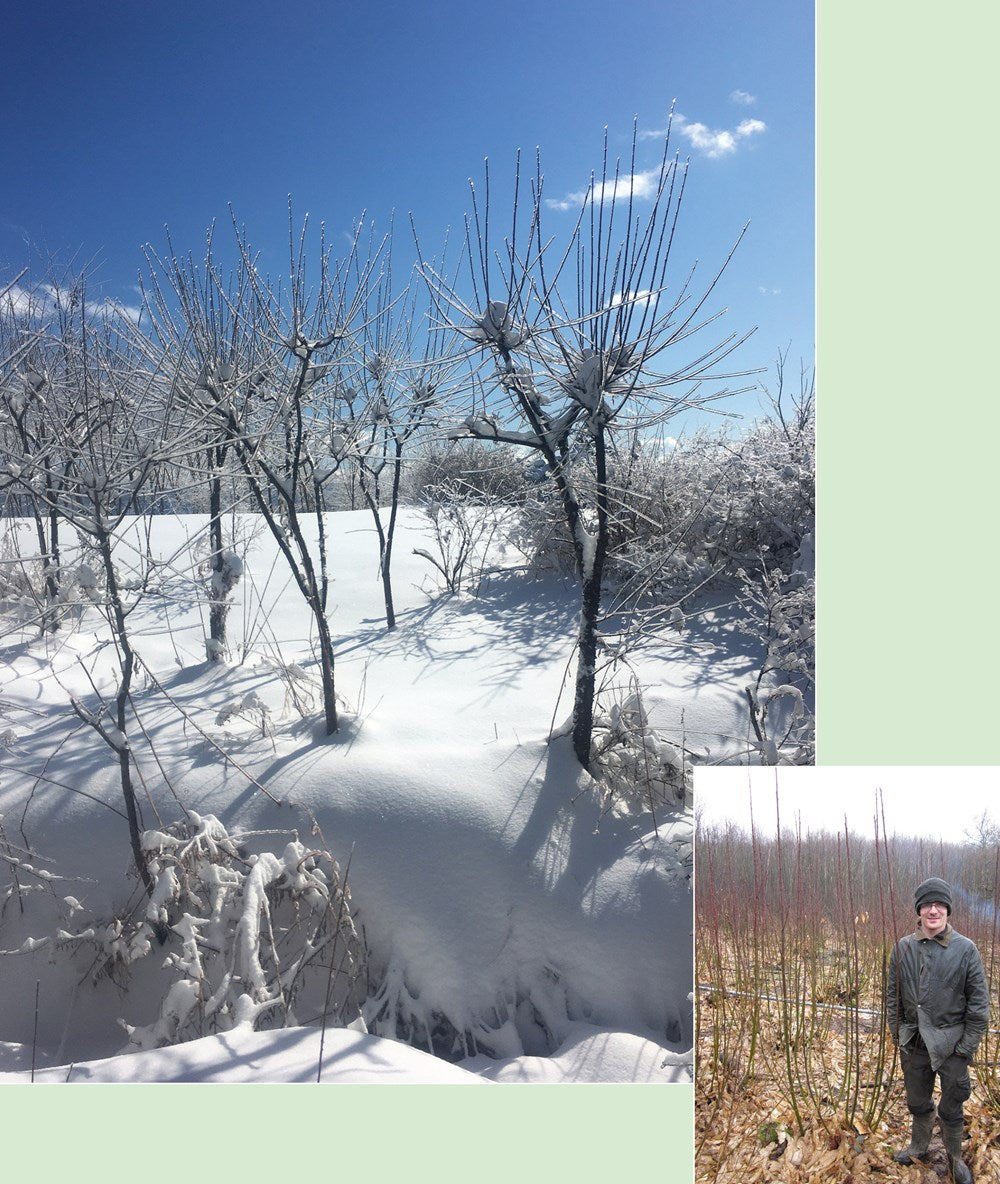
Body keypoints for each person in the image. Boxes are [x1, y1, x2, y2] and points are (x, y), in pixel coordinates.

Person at [887, 876, 990, 1184]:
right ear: (919, 911)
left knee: (952, 1105)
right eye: (927, 905)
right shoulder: (902, 949)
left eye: (939, 905)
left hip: (953, 1045)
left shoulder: (966, 950)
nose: (933, 911)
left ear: (947, 910)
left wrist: (965, 1049)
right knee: (917, 1101)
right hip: (914, 1042)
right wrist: (898, 1035)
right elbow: (892, 998)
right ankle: (919, 1147)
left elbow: (979, 1007)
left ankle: (955, 1159)